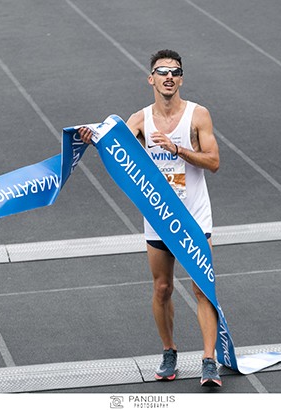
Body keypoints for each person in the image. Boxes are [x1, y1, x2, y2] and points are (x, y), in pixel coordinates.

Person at [79, 49, 221, 387]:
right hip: (159, 215)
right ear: (151, 79)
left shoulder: (198, 115)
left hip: (193, 217)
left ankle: (209, 360)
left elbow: (214, 162)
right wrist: (91, 138)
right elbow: (114, 146)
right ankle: (169, 351)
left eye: (175, 71)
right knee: (162, 288)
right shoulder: (140, 120)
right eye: (162, 71)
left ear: (181, 79)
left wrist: (178, 150)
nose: (169, 76)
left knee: (202, 289)